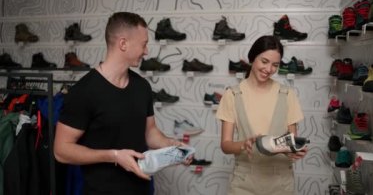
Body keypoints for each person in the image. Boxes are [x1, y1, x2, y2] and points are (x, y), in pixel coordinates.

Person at [54, 12, 188, 195]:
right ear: (123, 44)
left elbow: (150, 132)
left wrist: (171, 146)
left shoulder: (142, 87)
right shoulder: (84, 92)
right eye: (144, 44)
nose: (147, 51)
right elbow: (61, 151)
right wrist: (114, 156)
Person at [215, 35, 307, 195]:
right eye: (264, 61)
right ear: (252, 58)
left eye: (275, 65)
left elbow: (291, 141)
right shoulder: (232, 95)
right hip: (244, 184)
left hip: (280, 183)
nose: (269, 69)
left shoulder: (287, 94)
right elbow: (225, 145)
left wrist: (294, 149)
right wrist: (244, 144)